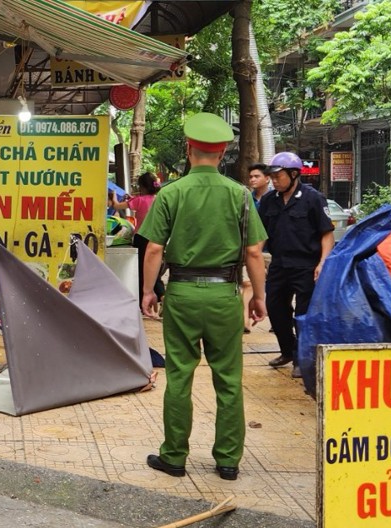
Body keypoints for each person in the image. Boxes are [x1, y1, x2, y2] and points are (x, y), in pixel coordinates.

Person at [137, 113, 268, 482]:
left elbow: (153, 249)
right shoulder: (241, 195)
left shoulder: (171, 193)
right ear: (224, 151)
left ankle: (174, 457)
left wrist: (149, 291)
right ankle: (228, 461)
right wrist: (259, 297)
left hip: (181, 293)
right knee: (228, 379)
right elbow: (254, 253)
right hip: (226, 295)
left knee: (179, 375)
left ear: (189, 150)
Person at [258, 151, 334, 379]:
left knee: (303, 314)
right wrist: (255, 257)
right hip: (279, 264)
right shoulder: (269, 201)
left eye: (277, 176)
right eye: (271, 177)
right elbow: (260, 233)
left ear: (293, 174)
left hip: (306, 266)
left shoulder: (313, 198)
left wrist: (323, 263)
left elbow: (327, 234)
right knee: (275, 308)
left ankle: (302, 359)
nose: (273, 180)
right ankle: (288, 350)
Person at [108, 171, 164, 306]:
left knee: (141, 270)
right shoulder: (159, 199)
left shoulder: (138, 201)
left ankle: (143, 302)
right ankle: (162, 296)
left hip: (141, 238)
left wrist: (114, 195)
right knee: (154, 269)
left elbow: (116, 206)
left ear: (142, 187)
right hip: (157, 237)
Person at [241, 163, 271, 332]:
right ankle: (244, 320)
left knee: (274, 290)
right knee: (247, 284)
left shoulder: (276, 199)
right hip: (251, 250)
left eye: (256, 176)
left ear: (267, 179)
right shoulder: (245, 199)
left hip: (271, 252)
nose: (252, 179)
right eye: (251, 176)